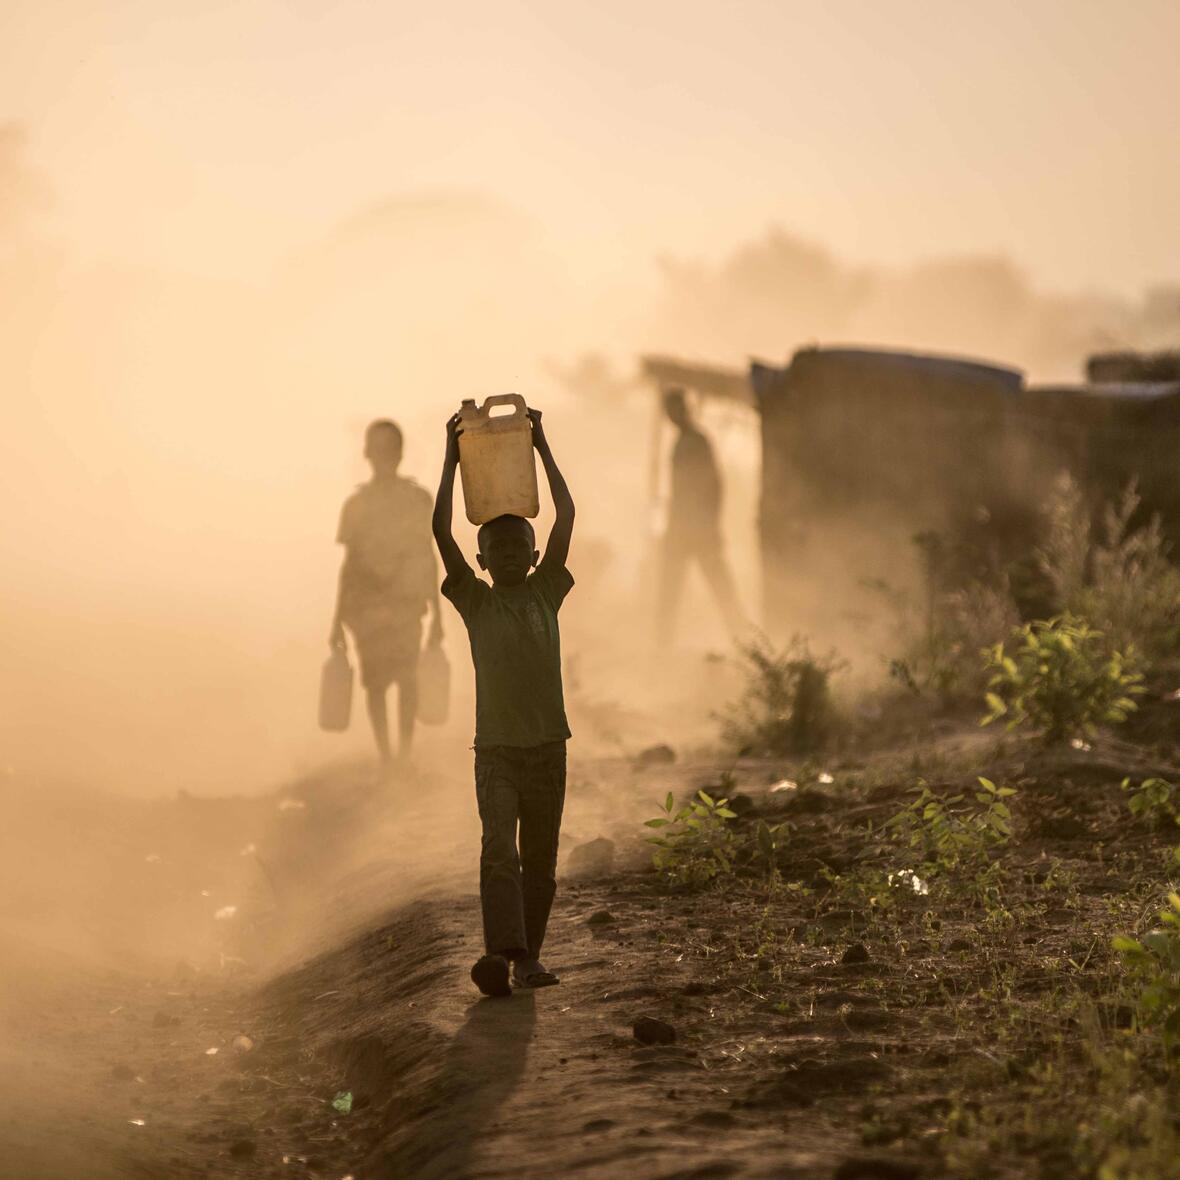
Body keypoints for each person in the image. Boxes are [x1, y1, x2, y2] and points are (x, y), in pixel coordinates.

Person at [432, 406, 575, 996]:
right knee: (499, 854)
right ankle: (500, 953)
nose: (512, 555)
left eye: (522, 545)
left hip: (548, 748)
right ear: (482, 562)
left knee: (539, 864)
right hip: (496, 753)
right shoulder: (476, 603)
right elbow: (442, 532)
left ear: (536, 555)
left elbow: (566, 512)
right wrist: (450, 459)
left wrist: (541, 445)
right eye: (500, 549)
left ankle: (527, 958)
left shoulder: (548, 591)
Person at [329, 419, 443, 771]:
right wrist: (336, 622)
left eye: (388, 449)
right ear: (367, 453)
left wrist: (439, 615)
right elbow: (348, 566)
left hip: (406, 603)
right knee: (375, 684)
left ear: (399, 453)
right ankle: (387, 758)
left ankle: (403, 757)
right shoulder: (356, 505)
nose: (383, 456)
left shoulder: (417, 500)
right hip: (366, 608)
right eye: (378, 449)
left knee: (407, 679)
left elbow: (428, 555)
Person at [658, 387, 745, 643]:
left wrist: (711, 525)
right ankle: (660, 648)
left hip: (698, 529)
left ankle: (744, 641)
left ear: (682, 409)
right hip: (684, 529)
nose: (671, 415)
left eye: (674, 409)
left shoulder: (695, 441)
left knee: (720, 590)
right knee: (671, 593)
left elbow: (714, 485)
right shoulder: (687, 441)